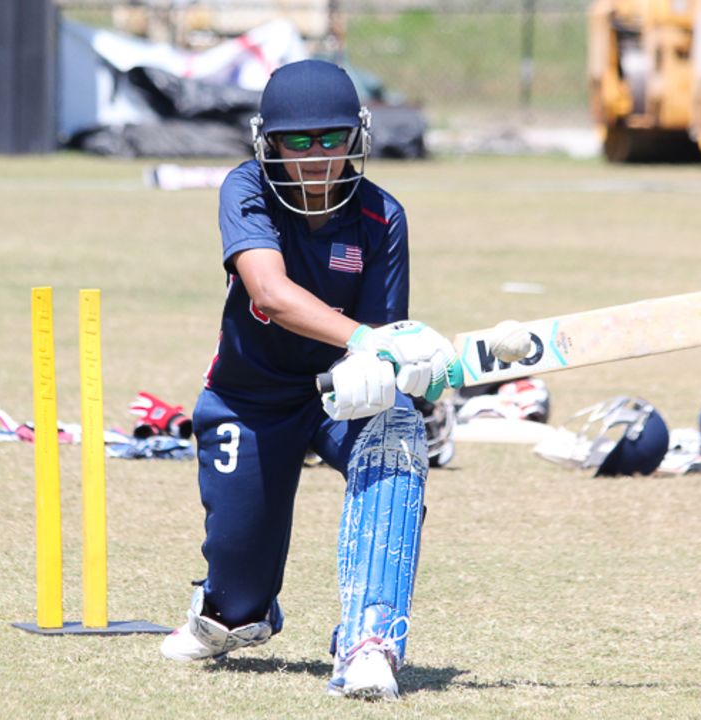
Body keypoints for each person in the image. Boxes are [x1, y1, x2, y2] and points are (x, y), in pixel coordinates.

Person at [157, 59, 463, 700]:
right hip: (250, 397)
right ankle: (236, 611)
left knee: (399, 438)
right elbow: (268, 292)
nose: (317, 156)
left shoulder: (382, 215)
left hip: (343, 397)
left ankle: (370, 642)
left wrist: (414, 372)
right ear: (268, 142)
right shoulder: (246, 189)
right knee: (236, 607)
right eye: (298, 141)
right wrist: (364, 339)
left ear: (357, 136)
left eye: (331, 138)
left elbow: (385, 342)